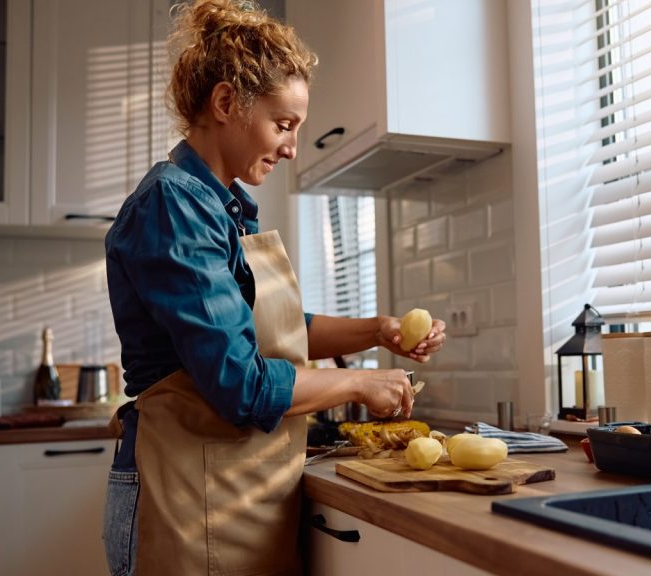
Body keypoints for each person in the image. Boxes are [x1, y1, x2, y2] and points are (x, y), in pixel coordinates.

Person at [100, 1, 447, 574]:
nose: (290, 148)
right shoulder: (173, 205)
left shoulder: (226, 207)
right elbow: (242, 385)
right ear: (226, 103)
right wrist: (358, 382)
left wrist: (378, 332)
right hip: (180, 495)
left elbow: (279, 332)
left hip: (226, 490)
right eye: (282, 125)